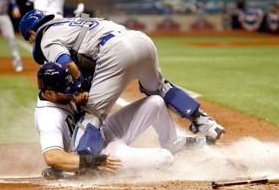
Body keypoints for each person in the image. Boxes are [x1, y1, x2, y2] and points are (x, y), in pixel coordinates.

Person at [19, 9, 225, 153]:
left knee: (93, 113)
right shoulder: (70, 22)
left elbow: (69, 65)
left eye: (29, 39)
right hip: (141, 40)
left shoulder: (45, 37)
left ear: (31, 33)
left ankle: (81, 159)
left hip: (114, 51)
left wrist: (80, 86)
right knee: (159, 88)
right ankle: (207, 124)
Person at [36, 62, 207, 180]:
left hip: (103, 130)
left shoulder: (59, 97)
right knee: (164, 158)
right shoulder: (48, 116)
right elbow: (52, 157)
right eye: (67, 91)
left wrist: (81, 103)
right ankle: (85, 173)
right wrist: (94, 162)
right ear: (49, 93)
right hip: (101, 151)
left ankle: (173, 143)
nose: (72, 93)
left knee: (155, 102)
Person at [0, 0, 23, 72]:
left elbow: (13, 2)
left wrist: (15, 9)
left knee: (11, 38)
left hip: (4, 15)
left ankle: (17, 63)